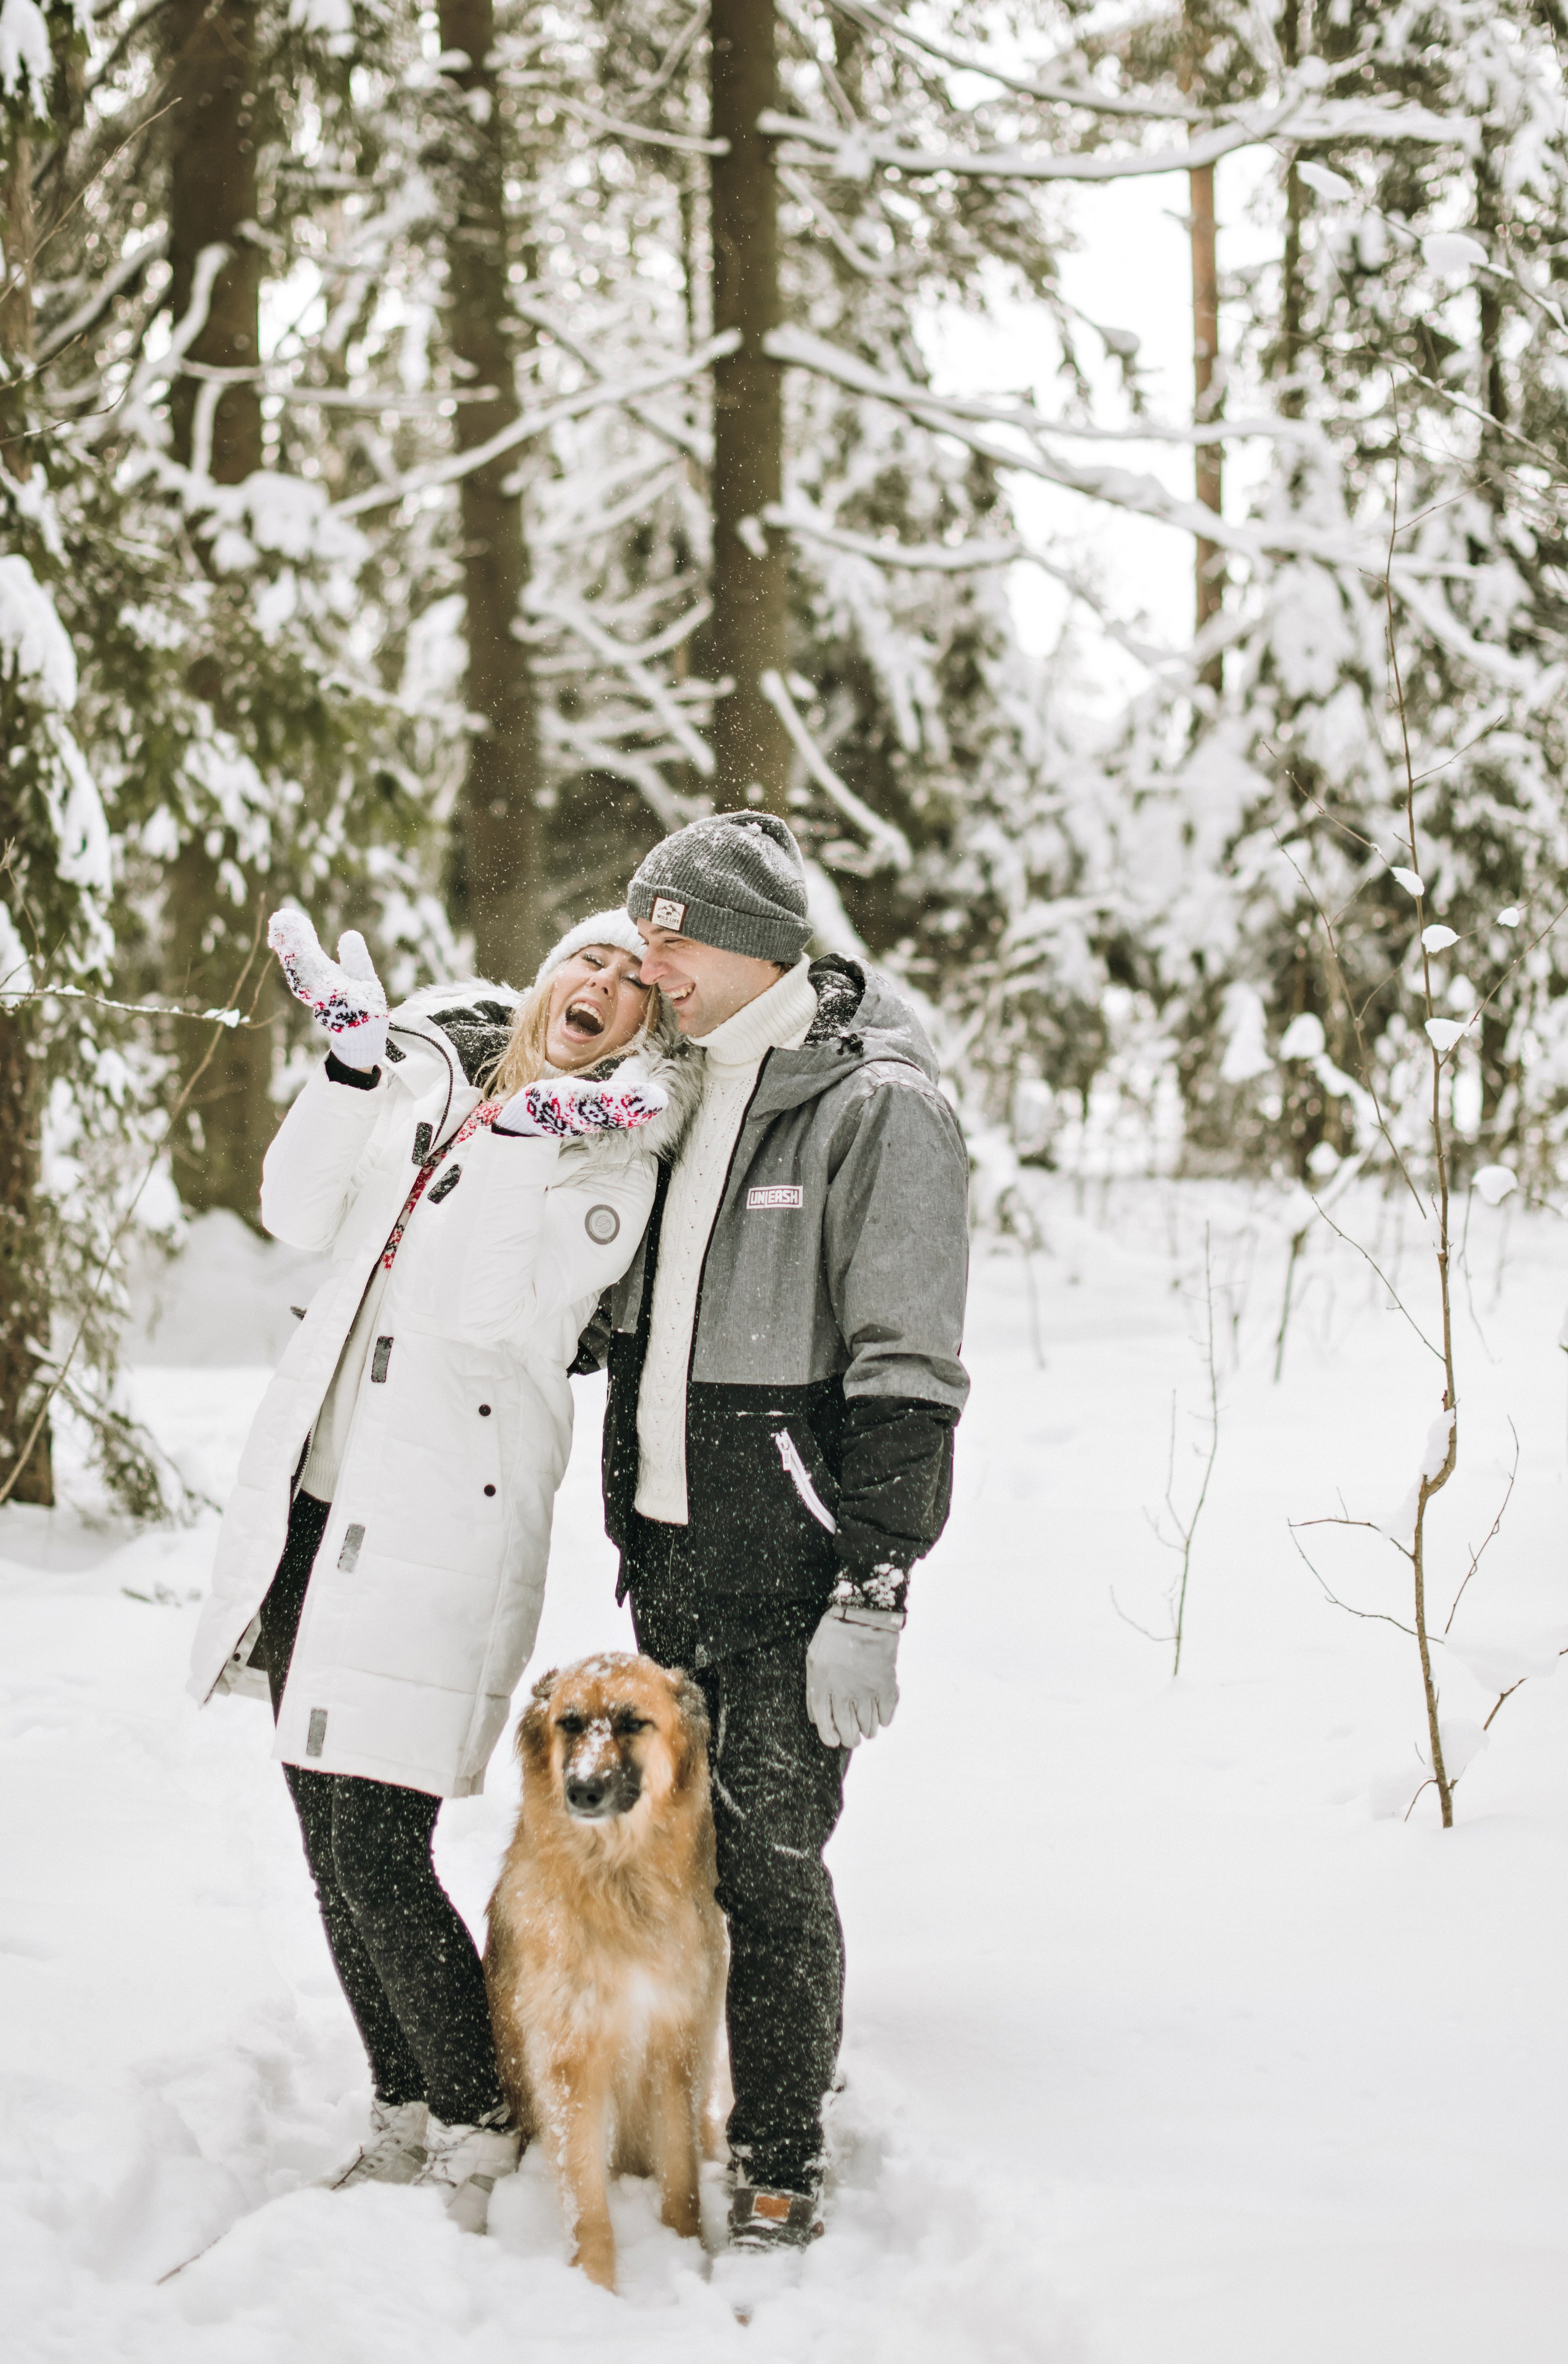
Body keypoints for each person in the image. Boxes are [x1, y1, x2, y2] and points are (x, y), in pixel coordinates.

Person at [187, 906, 698, 2233]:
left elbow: (488, 1313)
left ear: (647, 1025)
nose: (606, 984)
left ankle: (471, 2115)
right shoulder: (435, 1085)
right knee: (317, 1821)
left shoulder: (610, 1162)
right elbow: (294, 1210)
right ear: (546, 976)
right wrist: (354, 1068)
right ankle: (400, 2104)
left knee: (377, 1841)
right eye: (590, 957)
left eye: (637, 982)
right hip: (319, 1499)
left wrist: (532, 1147)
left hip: (439, 1527)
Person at [601, 811, 970, 2252]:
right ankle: (663, 2105)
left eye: (674, 935)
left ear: (758, 943)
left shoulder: (875, 1104)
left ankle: (776, 2153)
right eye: (644, 934)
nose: (653, 964)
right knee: (668, 1851)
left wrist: (872, 1586)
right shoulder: (681, 1087)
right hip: (672, 1551)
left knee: (767, 1862)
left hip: (796, 1565)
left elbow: (907, 1368)